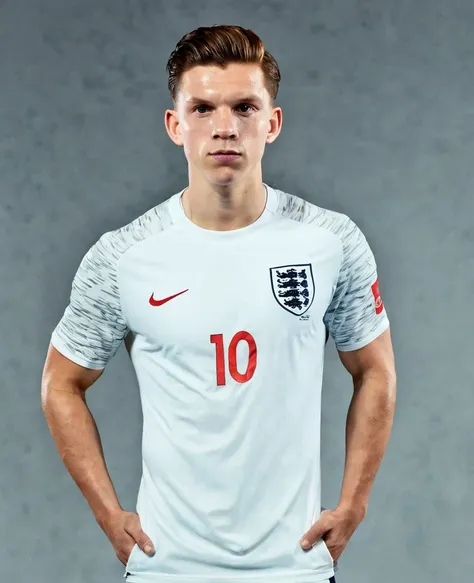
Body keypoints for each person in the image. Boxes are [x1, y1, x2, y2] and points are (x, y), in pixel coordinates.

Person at [41, 24, 396, 583]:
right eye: (202, 108)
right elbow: (60, 383)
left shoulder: (330, 241)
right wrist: (110, 516)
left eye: (244, 107)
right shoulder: (124, 257)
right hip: (169, 569)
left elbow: (375, 370)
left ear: (272, 123)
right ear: (174, 124)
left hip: (293, 568)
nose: (225, 127)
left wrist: (356, 502)